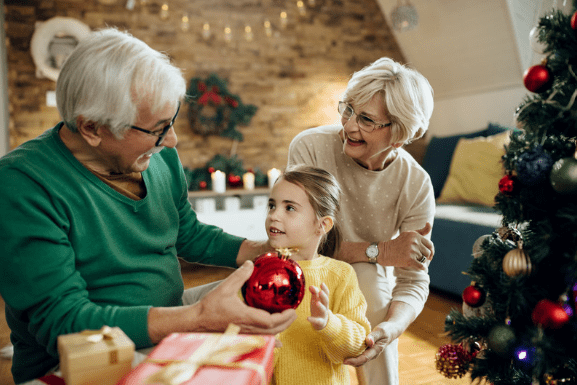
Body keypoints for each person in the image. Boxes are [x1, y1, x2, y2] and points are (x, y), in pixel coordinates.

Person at [0, 28, 296, 384]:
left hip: (170, 323)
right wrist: (200, 317)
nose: (171, 140)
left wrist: (260, 250)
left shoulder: (158, 155)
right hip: (82, 363)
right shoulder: (22, 183)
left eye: (171, 121)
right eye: (158, 128)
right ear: (92, 127)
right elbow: (65, 323)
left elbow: (185, 231)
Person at [287, 57, 435, 385]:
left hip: (365, 287)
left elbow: (413, 280)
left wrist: (390, 330)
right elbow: (297, 243)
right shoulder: (310, 148)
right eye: (348, 108)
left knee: (372, 294)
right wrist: (378, 252)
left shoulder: (416, 184)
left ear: (399, 133)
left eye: (366, 119)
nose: (349, 125)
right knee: (368, 277)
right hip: (303, 269)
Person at [264, 165, 371, 385]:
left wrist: (328, 323)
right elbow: (235, 327)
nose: (274, 215)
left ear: (322, 225)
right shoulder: (259, 271)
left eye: (289, 208)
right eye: (272, 206)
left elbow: (359, 344)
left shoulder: (341, 275)